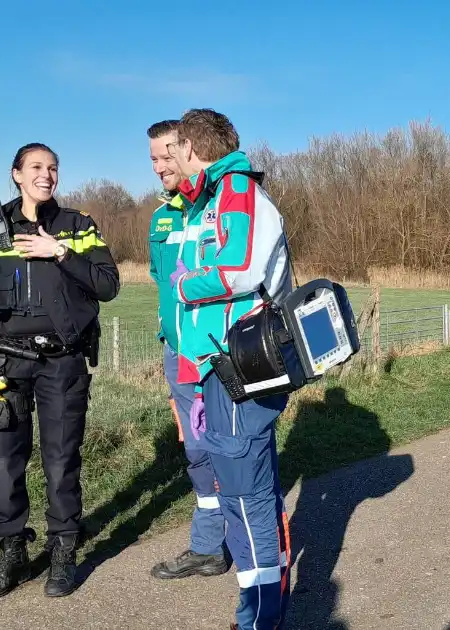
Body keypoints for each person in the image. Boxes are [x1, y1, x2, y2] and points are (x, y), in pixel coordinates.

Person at [0, 143, 120, 599]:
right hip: (4, 361)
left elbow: (108, 285)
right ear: (16, 174)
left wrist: (60, 253)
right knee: (5, 464)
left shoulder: (78, 226)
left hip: (63, 361)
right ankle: (11, 551)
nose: (46, 175)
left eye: (53, 168)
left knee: (61, 458)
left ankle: (63, 551)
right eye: (36, 167)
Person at [165, 108, 294, 629]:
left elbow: (238, 270)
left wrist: (183, 283)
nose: (170, 161)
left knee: (244, 493)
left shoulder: (236, 192)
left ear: (192, 149)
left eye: (173, 151)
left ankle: (260, 613)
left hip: (241, 365)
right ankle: (266, 596)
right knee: (250, 485)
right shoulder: (216, 197)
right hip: (221, 366)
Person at [145, 119, 231, 580]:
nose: (161, 166)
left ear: (188, 149)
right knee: (196, 449)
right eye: (153, 159)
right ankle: (208, 544)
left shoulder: (220, 203)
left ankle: (244, 539)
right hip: (178, 353)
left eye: (167, 155)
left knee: (232, 445)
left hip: (218, 353)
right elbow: (163, 283)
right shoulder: (161, 216)